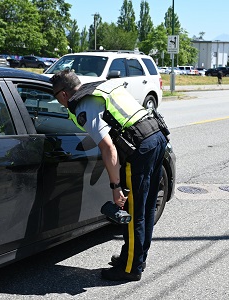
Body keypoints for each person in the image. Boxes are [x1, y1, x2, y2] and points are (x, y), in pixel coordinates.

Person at [50, 70, 169, 281]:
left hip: (139, 149)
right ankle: (134, 258)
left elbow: (109, 149)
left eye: (56, 97)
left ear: (64, 94)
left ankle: (130, 269)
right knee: (147, 207)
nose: (58, 103)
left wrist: (116, 188)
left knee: (133, 212)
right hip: (157, 136)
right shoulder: (101, 88)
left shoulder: (84, 106)